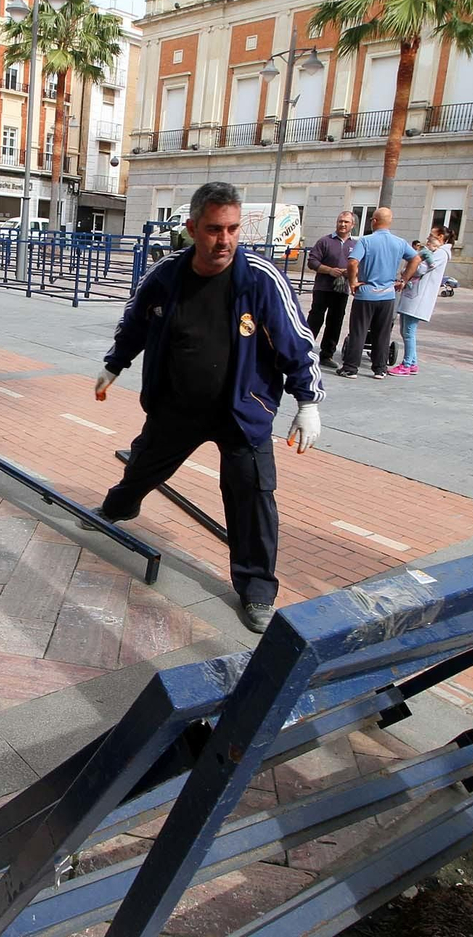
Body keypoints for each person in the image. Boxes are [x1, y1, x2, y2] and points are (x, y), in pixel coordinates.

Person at [87, 181, 323, 634]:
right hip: (177, 405)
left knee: (252, 497)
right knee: (144, 465)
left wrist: (307, 401)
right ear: (193, 228)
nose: (225, 240)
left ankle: (256, 588)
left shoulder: (260, 279)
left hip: (242, 410)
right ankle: (119, 508)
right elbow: (134, 322)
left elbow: (297, 343)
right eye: (215, 229)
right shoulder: (166, 276)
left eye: (234, 229)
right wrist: (114, 365)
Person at [338, 207, 420, 380]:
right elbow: (416, 258)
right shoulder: (399, 242)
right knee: (382, 333)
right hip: (388, 295)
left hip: (366, 293)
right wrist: (403, 279)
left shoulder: (366, 241)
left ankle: (351, 368)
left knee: (358, 331)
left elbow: (353, 262)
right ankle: (380, 369)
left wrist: (353, 281)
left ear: (374, 221)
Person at [388, 225, 451, 376]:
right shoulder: (434, 252)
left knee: (409, 331)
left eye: (432, 235)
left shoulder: (440, 253)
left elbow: (420, 268)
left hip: (419, 297)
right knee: (405, 330)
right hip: (413, 294)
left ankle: (407, 364)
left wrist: (411, 266)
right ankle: (413, 362)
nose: (428, 238)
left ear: (441, 237)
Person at [305, 210, 356, 368]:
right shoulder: (324, 241)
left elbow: (360, 265)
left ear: (352, 225)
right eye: (340, 221)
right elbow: (312, 262)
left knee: (335, 322)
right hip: (322, 288)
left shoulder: (355, 245)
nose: (342, 224)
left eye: (346, 222)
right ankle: (303, 350)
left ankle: (327, 355)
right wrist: (329, 270)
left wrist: (350, 273)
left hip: (341, 291)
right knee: (315, 319)